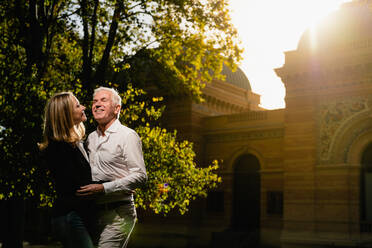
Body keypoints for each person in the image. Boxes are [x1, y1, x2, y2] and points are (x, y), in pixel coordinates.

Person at [76, 87, 147, 248]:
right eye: (95, 101)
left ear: (117, 108)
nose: (97, 104)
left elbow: (141, 176)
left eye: (103, 100)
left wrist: (104, 188)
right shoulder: (90, 139)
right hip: (92, 213)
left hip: (119, 215)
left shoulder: (127, 136)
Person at [39, 92, 94, 248]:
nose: (83, 107)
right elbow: (80, 185)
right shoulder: (58, 148)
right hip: (70, 216)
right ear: (65, 114)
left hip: (77, 215)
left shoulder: (75, 143)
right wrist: (115, 185)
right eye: (77, 106)